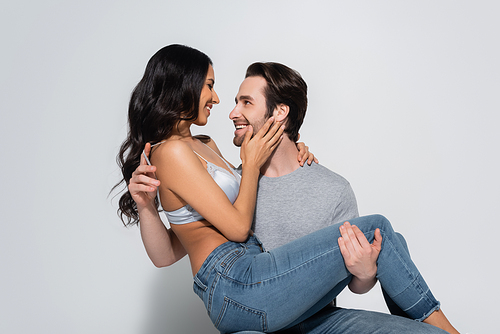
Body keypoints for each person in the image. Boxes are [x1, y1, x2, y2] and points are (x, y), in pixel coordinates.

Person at [115, 44, 459, 333]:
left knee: (415, 316)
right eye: (210, 85)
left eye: (243, 101)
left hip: (283, 300)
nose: (219, 100)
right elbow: (233, 229)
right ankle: (445, 324)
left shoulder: (205, 146)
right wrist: (146, 206)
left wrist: (289, 151)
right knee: (378, 227)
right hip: (238, 283)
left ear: (280, 114)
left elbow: (184, 238)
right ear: (184, 84)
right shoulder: (173, 151)